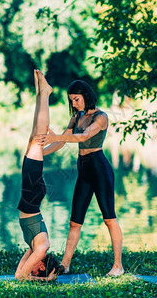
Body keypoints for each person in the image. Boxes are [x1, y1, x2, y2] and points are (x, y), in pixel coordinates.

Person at [35, 80, 124, 276]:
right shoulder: (76, 117)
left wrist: (56, 137)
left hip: (99, 168)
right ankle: (65, 265)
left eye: (76, 99)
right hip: (83, 169)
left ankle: (118, 266)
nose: (74, 104)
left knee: (109, 218)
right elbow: (60, 143)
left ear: (86, 96)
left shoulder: (101, 117)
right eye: (71, 100)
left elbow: (83, 137)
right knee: (75, 222)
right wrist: (39, 153)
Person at [15, 70, 60, 281]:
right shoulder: (42, 247)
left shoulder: (37, 248)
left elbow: (19, 274)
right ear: (41, 265)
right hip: (31, 198)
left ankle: (41, 95)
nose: (31, 268)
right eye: (36, 270)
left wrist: (46, 276)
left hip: (31, 198)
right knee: (38, 139)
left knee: (34, 139)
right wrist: (47, 279)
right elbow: (21, 277)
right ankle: (45, 94)